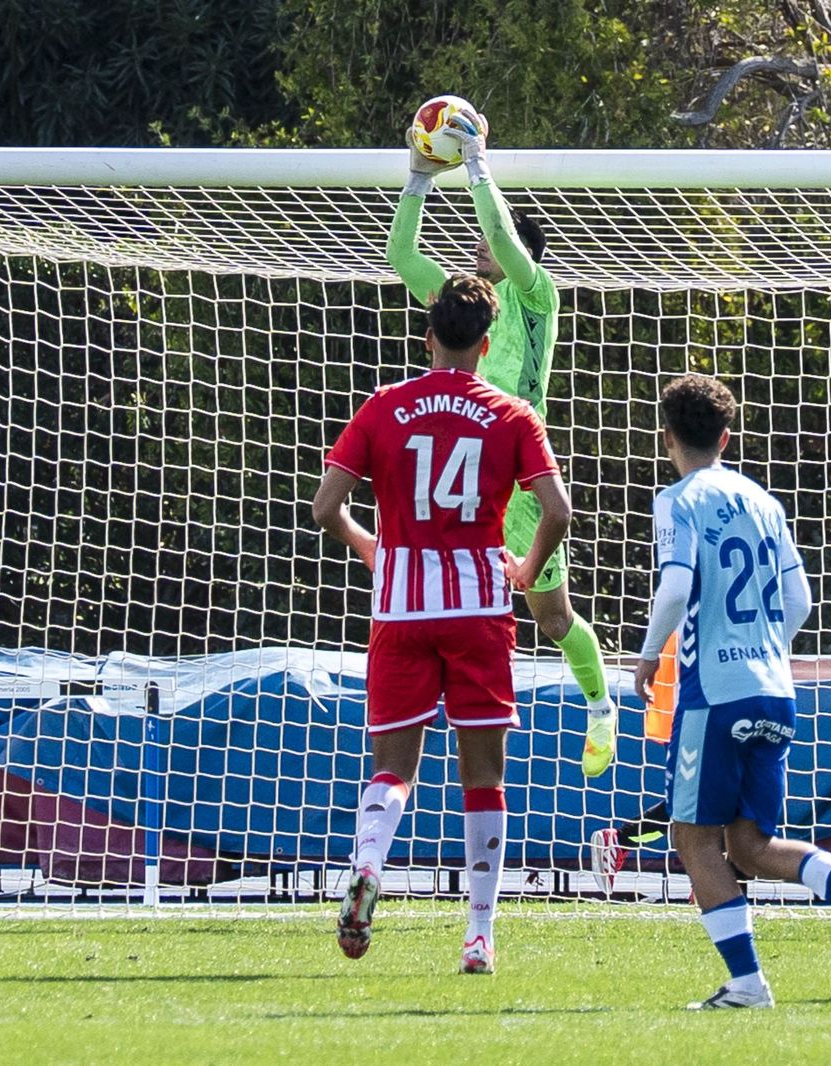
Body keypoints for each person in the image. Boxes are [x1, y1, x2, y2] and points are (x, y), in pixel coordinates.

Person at [313, 274, 571, 976]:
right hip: (479, 607)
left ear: (428, 338)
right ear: (486, 346)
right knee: (482, 774)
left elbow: (324, 504)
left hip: (401, 607)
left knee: (393, 768)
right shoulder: (511, 413)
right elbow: (558, 510)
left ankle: (368, 864)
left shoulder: (385, 406)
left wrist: (372, 547)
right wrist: (526, 569)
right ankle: (478, 936)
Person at [633, 374, 831, 1010]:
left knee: (692, 837)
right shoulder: (764, 502)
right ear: (726, 437)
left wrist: (648, 656)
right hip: (774, 688)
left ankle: (748, 983)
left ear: (666, 437)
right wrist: (759, 647)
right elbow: (800, 599)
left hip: (714, 693)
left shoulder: (679, 499)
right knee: (749, 845)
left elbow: (674, 589)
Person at [388, 101, 616, 778]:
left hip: (523, 475)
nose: (478, 244)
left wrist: (478, 165)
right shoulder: (468, 300)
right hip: (465, 475)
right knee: (450, 609)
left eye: (491, 238)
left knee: (551, 618)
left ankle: (602, 708)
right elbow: (401, 254)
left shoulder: (536, 292)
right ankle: (443, 744)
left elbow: (505, 238)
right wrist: (420, 177)